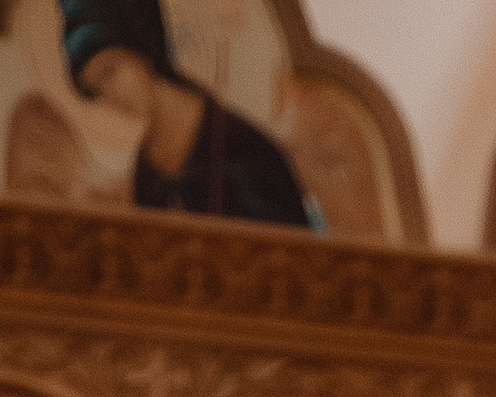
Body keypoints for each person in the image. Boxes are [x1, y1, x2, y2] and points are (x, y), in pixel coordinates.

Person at [59, 0, 313, 229]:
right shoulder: (146, 169)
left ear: (140, 45)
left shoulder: (245, 150)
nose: (109, 96)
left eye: (110, 72)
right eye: (96, 90)